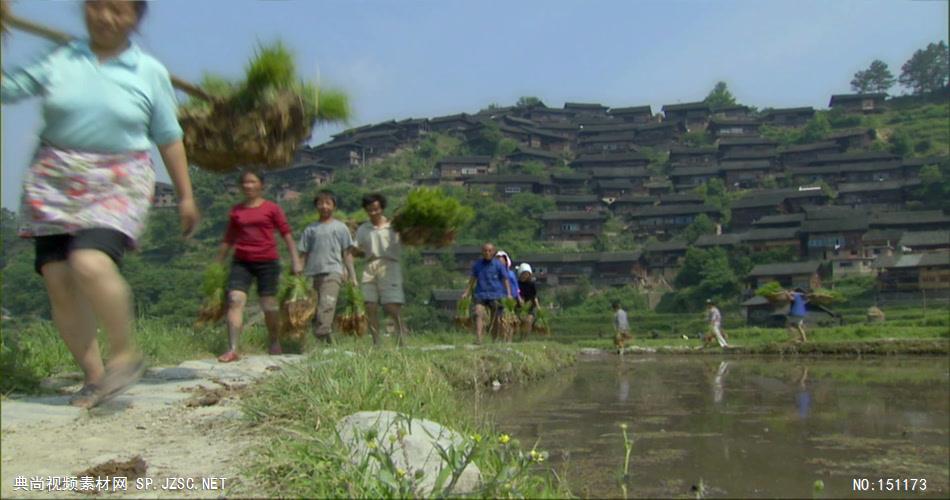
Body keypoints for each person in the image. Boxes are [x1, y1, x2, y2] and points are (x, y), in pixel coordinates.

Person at [2, 0, 199, 408]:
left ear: (135, 19)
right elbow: (9, 87)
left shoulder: (148, 72)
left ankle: (125, 352)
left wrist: (185, 195)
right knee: (57, 279)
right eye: (97, 6)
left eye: (118, 9)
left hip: (117, 178)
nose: (106, 17)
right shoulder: (60, 57)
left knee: (88, 262)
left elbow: (168, 135)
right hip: (54, 179)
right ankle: (94, 378)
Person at [216, 171, 302, 363]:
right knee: (235, 299)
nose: (248, 186)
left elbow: (286, 234)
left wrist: (296, 259)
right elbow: (228, 238)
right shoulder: (237, 211)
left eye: (252, 182)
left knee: (268, 305)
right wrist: (217, 264)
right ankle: (233, 348)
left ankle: (273, 341)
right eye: (245, 182)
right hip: (242, 261)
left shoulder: (272, 208)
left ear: (261, 185)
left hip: (267, 262)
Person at [297, 190, 357, 344]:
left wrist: (352, 276)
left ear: (334, 206)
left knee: (327, 304)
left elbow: (347, 254)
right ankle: (326, 341)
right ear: (316, 206)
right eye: (320, 203)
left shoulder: (341, 228)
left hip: (333, 272)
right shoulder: (310, 230)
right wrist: (297, 276)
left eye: (328, 203)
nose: (324, 206)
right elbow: (303, 254)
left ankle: (322, 335)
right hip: (312, 274)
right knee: (314, 309)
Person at [352, 193, 406, 346]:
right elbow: (356, 249)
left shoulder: (394, 226)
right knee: (370, 305)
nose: (373, 212)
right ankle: (376, 342)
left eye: (376, 209)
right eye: (370, 210)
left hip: (390, 265)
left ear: (382, 208)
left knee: (391, 305)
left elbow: (409, 238)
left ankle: (401, 336)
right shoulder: (364, 229)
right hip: (370, 266)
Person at [460, 242, 512, 344]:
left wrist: (509, 294)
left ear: (493, 252)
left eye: (489, 251)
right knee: (478, 313)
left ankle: (494, 339)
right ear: (482, 252)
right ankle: (479, 338)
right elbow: (472, 280)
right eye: (485, 251)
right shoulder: (477, 265)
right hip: (481, 293)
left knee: (496, 318)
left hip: (496, 294)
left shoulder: (498, 265)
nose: (487, 253)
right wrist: (466, 292)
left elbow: (505, 279)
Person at [516, 263, 540, 339]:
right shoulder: (517, 284)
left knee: (528, 320)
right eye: (523, 274)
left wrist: (538, 307)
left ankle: (525, 338)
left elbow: (534, 297)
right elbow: (516, 293)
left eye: (526, 274)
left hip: (530, 307)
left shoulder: (532, 284)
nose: (525, 276)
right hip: (519, 307)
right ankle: (521, 337)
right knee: (521, 321)